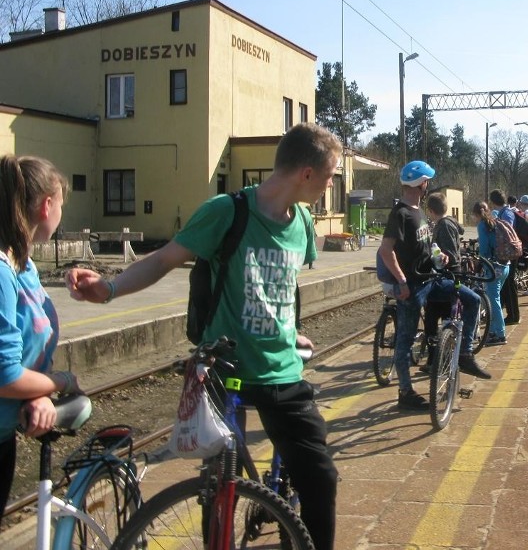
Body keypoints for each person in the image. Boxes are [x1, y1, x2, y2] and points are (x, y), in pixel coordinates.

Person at [65, 124, 340, 550]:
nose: (329, 186)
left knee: (319, 477)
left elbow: (282, 288)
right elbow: (164, 258)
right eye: (329, 176)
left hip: (282, 371)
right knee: (221, 487)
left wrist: (291, 331)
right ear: (306, 173)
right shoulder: (226, 211)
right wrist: (110, 289)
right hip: (222, 371)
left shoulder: (303, 222)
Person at [0, 155, 82, 521]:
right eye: (62, 204)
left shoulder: (24, 262)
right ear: (47, 204)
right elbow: (5, 375)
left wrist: (38, 392)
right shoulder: (2, 272)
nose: (62, 213)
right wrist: (59, 382)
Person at [377, 161, 490, 412]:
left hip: (431, 280)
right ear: (422, 184)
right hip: (413, 287)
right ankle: (405, 393)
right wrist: (402, 281)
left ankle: (464, 353)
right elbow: (386, 251)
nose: (428, 184)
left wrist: (441, 257)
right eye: (427, 180)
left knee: (471, 300)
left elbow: (428, 245)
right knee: (405, 342)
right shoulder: (401, 213)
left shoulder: (419, 212)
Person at [422, 192, 463, 359]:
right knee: (444, 316)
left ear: (431, 211)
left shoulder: (444, 225)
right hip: (451, 274)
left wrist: (435, 258)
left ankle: (436, 359)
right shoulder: (450, 222)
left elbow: (450, 254)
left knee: (433, 317)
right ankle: (442, 356)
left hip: (447, 275)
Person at [472, 201, 510, 346]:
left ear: (476, 214)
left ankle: (499, 335)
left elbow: (483, 251)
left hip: (494, 267)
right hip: (505, 265)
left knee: (493, 302)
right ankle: (494, 331)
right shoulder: (495, 221)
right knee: (495, 300)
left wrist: (479, 262)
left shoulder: (482, 225)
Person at [489, 189, 520, 325]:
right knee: (507, 284)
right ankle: (511, 314)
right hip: (508, 252)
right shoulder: (505, 212)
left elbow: (506, 233)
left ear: (493, 202)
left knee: (509, 285)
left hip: (509, 253)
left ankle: (514, 315)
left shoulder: (506, 214)